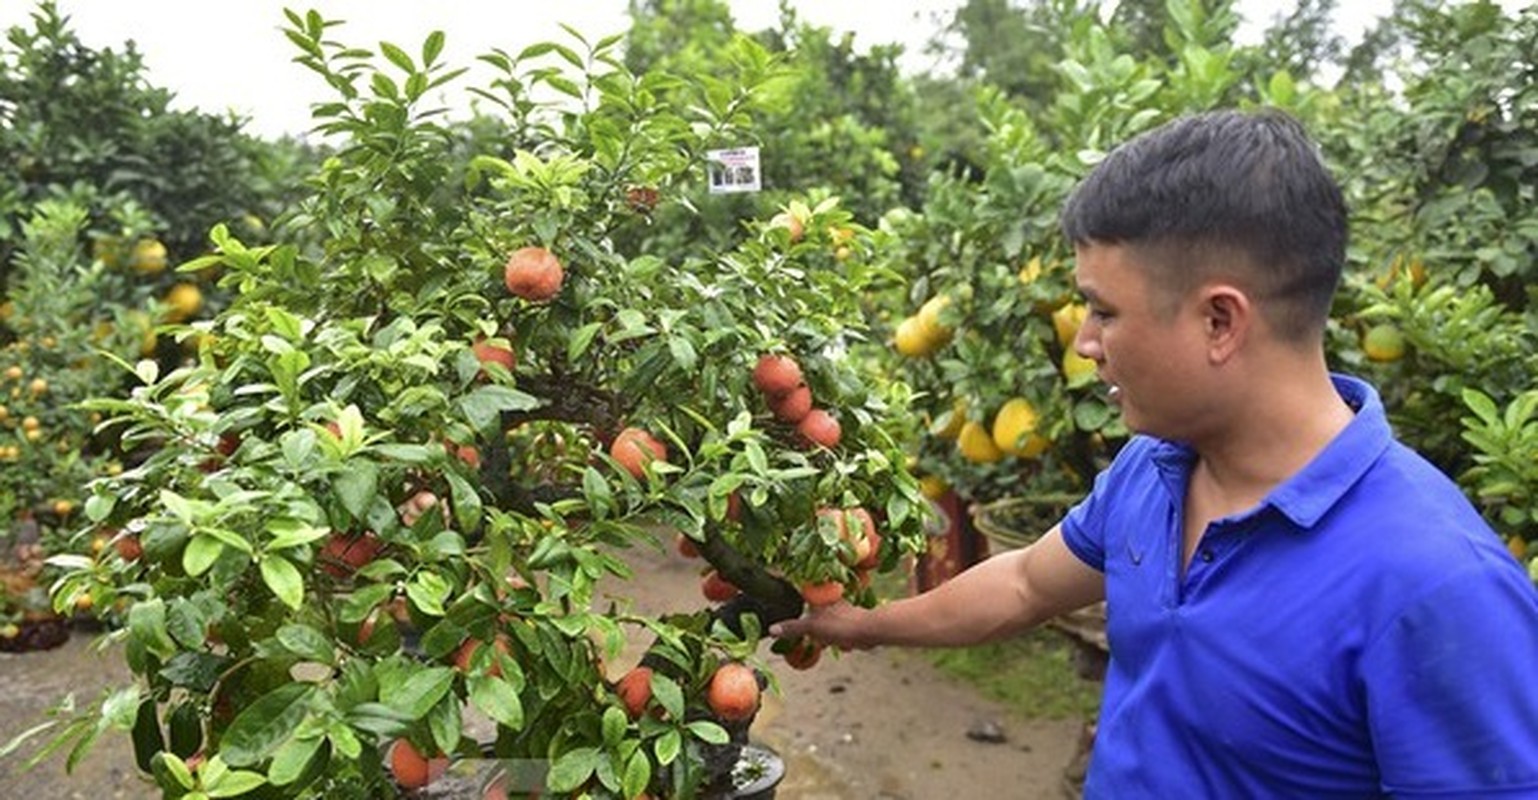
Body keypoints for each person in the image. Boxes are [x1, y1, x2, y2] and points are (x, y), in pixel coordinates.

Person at [772, 109, 1538, 797]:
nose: (1085, 344)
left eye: (1103, 311)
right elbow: (1024, 586)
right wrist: (860, 625)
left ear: (1218, 322)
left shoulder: (1437, 587)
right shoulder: (1157, 468)